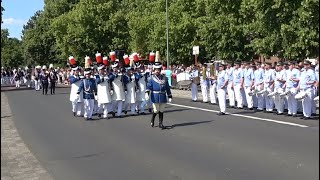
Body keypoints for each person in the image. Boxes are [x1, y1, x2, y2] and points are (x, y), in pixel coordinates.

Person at [145, 62, 172, 129]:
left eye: (158, 70)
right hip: (155, 96)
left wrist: (169, 95)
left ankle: (161, 124)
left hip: (162, 95)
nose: (157, 71)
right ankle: (152, 119)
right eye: (156, 70)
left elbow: (167, 87)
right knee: (156, 110)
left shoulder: (164, 78)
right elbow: (149, 87)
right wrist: (147, 93)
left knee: (161, 110)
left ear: (160, 70)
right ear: (154, 70)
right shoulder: (151, 78)